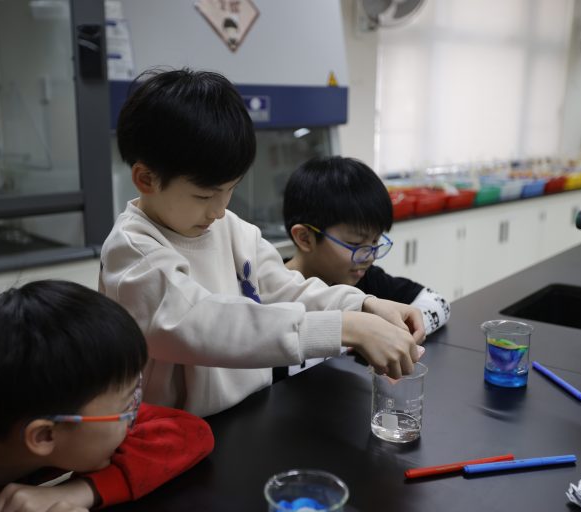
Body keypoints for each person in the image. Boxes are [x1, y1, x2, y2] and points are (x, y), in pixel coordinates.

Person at [100, 68, 425, 418]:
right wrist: (346, 328)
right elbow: (207, 324)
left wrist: (363, 305)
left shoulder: (232, 229)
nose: (219, 210)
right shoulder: (132, 251)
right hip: (180, 431)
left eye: (230, 189)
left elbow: (287, 289)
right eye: (204, 195)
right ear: (146, 179)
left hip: (256, 410)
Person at [0, 280, 213, 511]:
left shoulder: (28, 419)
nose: (134, 418)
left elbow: (189, 432)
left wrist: (76, 493)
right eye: (128, 408)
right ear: (44, 436)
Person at [282, 156, 450, 376]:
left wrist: (400, 334)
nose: (369, 256)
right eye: (355, 244)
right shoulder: (269, 298)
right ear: (305, 238)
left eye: (375, 241)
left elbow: (438, 302)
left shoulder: (363, 279)